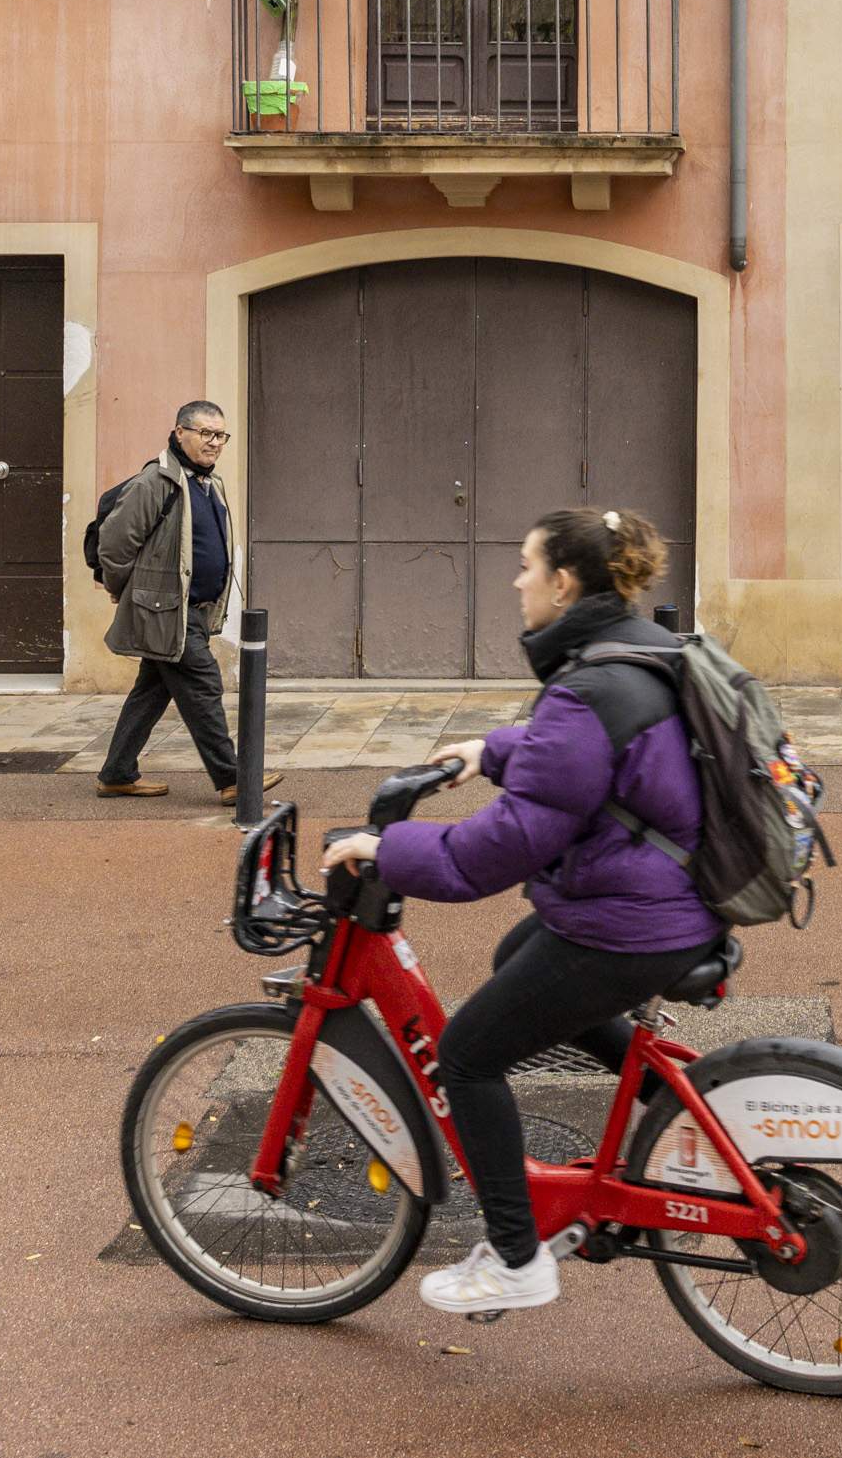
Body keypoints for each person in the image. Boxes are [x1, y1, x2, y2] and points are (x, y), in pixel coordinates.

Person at [319, 507, 719, 1317]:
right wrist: (491, 750)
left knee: (466, 1054)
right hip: (672, 900)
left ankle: (515, 1259)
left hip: (633, 923)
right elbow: (583, 752)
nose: (517, 580)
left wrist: (383, 847)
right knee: (517, 957)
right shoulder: (638, 650)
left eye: (528, 565)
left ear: (564, 582)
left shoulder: (586, 685)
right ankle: (685, 1112)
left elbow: (488, 855)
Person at [92, 400, 279, 806]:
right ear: (180, 433)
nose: (214, 443)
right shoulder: (155, 483)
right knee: (203, 684)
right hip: (165, 612)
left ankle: (116, 773)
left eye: (220, 436)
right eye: (205, 434)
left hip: (189, 609)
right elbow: (114, 546)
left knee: (152, 691)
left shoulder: (208, 482)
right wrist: (127, 594)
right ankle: (232, 778)